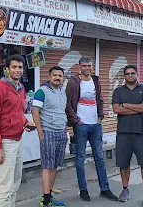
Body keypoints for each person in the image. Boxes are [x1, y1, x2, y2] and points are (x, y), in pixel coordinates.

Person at [65, 56, 118, 202]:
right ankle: (83, 190)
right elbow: (68, 104)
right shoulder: (73, 82)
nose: (87, 68)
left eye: (89, 66)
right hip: (81, 125)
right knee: (80, 158)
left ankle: (105, 189)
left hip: (96, 125)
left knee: (99, 158)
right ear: (79, 66)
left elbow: (99, 99)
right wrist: (76, 120)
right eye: (84, 66)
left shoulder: (95, 80)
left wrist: (100, 116)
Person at [0, 54, 36, 207]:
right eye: (14, 67)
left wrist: (25, 122)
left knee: (15, 182)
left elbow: (17, 113)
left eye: (20, 67)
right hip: (5, 142)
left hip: (18, 140)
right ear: (7, 69)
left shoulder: (20, 88)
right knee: (5, 186)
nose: (17, 70)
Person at [32, 66, 68, 207]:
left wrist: (65, 130)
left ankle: (49, 195)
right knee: (47, 166)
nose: (57, 78)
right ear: (49, 77)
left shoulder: (62, 92)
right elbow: (35, 112)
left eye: (60, 75)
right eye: (55, 75)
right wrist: (40, 132)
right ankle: (45, 200)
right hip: (48, 133)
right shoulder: (42, 92)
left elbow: (62, 112)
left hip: (61, 134)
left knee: (55, 167)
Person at [112, 65, 143, 202]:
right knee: (123, 164)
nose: (130, 75)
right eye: (128, 73)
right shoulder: (118, 91)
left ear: (137, 74)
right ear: (124, 76)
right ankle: (125, 190)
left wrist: (125, 105)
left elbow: (121, 107)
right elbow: (116, 109)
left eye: (133, 73)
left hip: (141, 132)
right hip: (123, 133)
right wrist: (138, 109)